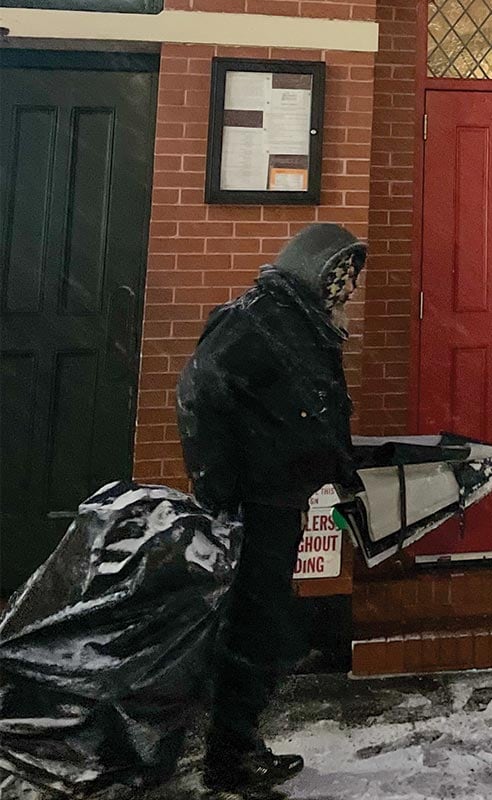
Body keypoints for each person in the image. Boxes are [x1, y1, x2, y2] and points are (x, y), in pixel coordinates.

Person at [177, 223, 367, 798]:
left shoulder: (300, 321)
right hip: (259, 500)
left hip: (281, 494)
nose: (350, 289)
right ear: (316, 272)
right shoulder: (259, 321)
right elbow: (201, 390)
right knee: (258, 625)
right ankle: (230, 758)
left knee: (263, 621)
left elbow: (310, 407)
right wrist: (218, 488)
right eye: (342, 277)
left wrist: (337, 466)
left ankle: (237, 745)